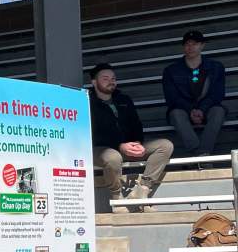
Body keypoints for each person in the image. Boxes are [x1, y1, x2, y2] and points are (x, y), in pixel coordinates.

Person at [89, 63, 172, 211]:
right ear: (94, 82)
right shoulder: (87, 102)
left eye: (113, 78)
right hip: (100, 149)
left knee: (165, 145)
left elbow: (136, 124)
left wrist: (137, 143)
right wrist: (119, 146)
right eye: (105, 78)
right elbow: (94, 132)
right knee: (113, 157)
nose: (111, 81)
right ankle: (117, 199)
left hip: (127, 147)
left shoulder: (124, 99)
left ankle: (142, 190)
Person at [162, 29, 227, 157]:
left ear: (202, 45)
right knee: (175, 113)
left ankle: (200, 154)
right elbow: (171, 97)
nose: (190, 47)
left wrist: (202, 110)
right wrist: (191, 110)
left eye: (195, 43)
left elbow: (217, 94)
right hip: (183, 109)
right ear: (183, 47)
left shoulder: (216, 67)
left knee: (219, 111)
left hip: (208, 108)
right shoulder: (171, 70)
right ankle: (201, 155)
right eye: (187, 44)